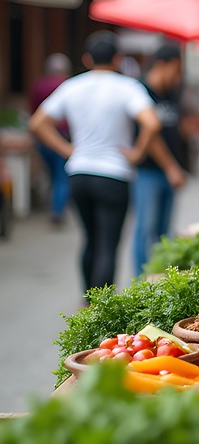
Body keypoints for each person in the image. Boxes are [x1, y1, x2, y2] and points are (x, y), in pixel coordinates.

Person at [28, 31, 162, 293]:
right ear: (118, 58)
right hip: (114, 174)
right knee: (107, 244)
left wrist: (67, 150)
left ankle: (86, 299)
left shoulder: (72, 85)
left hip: (79, 173)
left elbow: (37, 123)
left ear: (87, 59)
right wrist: (136, 153)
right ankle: (101, 308)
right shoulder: (128, 87)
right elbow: (152, 122)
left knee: (90, 238)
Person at [130, 43, 189, 276]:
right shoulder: (140, 92)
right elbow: (151, 136)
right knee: (145, 228)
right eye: (176, 70)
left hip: (168, 173)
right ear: (161, 65)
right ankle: (142, 283)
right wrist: (171, 167)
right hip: (149, 171)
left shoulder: (171, 93)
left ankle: (161, 279)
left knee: (164, 233)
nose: (178, 76)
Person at [27, 53, 72, 225]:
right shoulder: (68, 85)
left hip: (42, 137)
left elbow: (32, 114)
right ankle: (57, 210)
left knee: (53, 174)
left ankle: (54, 204)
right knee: (62, 175)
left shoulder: (38, 85)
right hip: (61, 136)